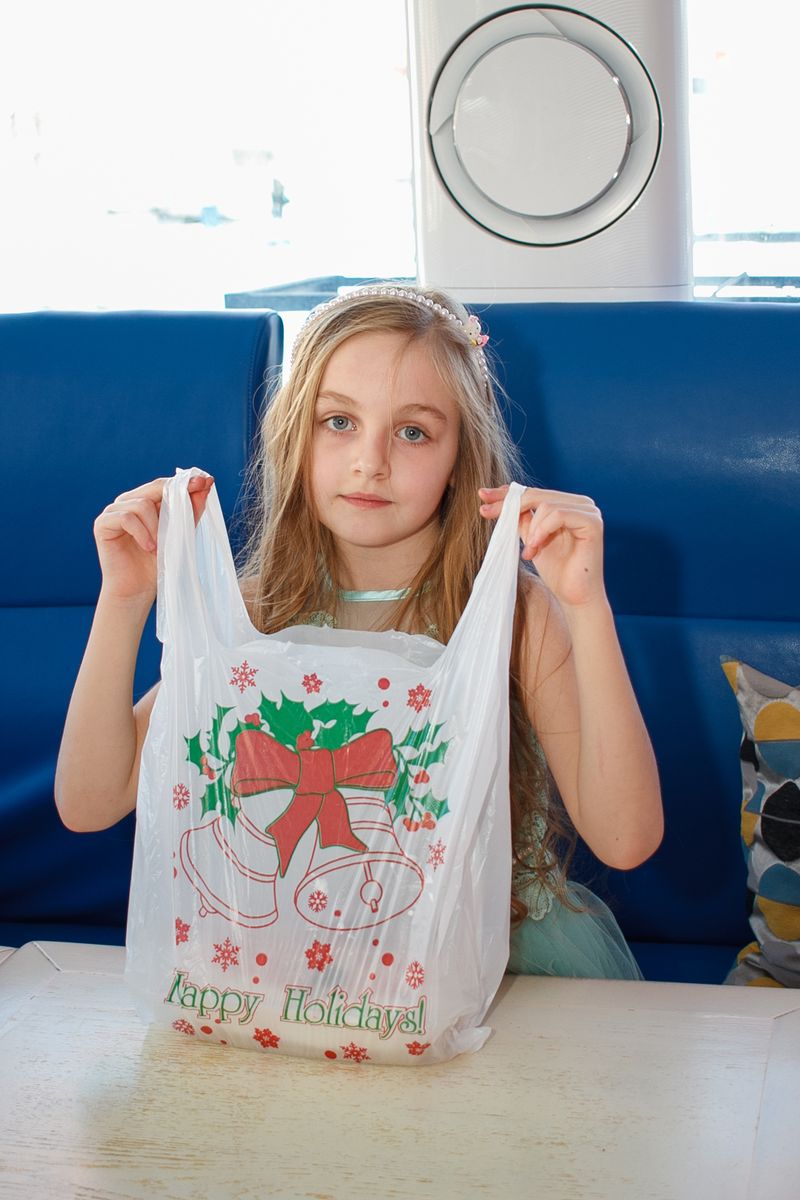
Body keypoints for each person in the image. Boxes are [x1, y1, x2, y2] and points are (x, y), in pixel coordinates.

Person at [55, 283, 663, 980]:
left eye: (413, 432)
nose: (370, 460)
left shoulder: (516, 614)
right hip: (300, 966)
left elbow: (625, 839)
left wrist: (587, 607)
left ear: (460, 456)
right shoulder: (254, 613)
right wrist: (124, 599)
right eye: (339, 421)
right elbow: (89, 802)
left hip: (496, 966)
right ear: (294, 434)